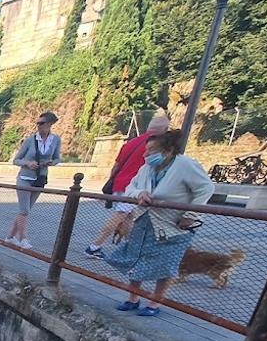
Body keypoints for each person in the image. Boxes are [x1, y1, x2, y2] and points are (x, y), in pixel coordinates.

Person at [106, 129, 214, 317]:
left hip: (173, 225)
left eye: (151, 151)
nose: (146, 155)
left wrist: (192, 213)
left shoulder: (185, 165)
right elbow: (132, 187)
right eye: (146, 151)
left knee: (166, 264)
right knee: (137, 258)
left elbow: (205, 188)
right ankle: (134, 297)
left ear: (168, 150)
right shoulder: (146, 168)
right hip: (145, 221)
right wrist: (139, 193)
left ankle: (155, 302)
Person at [85, 114, 170, 256]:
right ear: (164, 129)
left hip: (120, 183)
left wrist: (112, 182)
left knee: (128, 217)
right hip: (134, 187)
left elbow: (116, 165)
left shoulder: (132, 142)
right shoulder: (156, 146)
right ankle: (94, 246)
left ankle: (130, 247)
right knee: (121, 215)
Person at [7, 111, 62, 249]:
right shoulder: (30, 140)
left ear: (49, 124)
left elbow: (57, 158)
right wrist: (27, 163)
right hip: (25, 177)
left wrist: (51, 162)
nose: (38, 126)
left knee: (25, 210)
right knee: (24, 210)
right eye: (37, 123)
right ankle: (23, 238)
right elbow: (16, 160)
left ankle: (10, 237)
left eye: (41, 123)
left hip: (40, 178)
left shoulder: (55, 140)